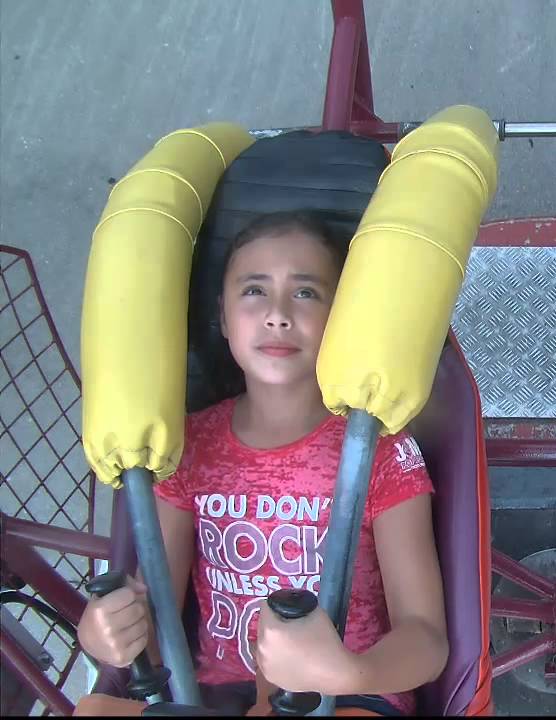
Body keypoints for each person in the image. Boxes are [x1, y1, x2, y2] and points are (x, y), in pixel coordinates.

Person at [76, 211, 446, 716]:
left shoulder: (380, 449)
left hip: (349, 694)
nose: (277, 314)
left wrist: (346, 670)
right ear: (224, 318)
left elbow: (427, 639)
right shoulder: (185, 445)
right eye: (254, 291)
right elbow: (156, 613)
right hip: (212, 696)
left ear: (342, 320)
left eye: (305, 293)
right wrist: (110, 632)